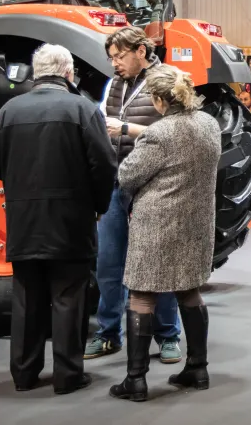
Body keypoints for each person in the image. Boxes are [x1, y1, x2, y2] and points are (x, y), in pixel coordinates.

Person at [0, 43, 117, 395]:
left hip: (24, 219)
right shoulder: (82, 109)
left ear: (37, 72)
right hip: (71, 220)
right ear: (68, 73)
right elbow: (104, 164)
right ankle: (68, 376)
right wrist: (98, 205)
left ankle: (24, 375)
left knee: (27, 297)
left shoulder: (9, 110)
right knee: (69, 297)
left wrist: (20, 184)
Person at [108, 67, 221, 402]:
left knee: (142, 296)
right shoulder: (209, 124)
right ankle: (198, 369)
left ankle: (136, 380)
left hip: (157, 226)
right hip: (196, 224)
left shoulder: (159, 133)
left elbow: (127, 176)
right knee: (190, 291)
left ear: (159, 100)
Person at [86, 27, 183, 365]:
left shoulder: (167, 81)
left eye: (120, 56)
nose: (115, 64)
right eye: (111, 58)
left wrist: (126, 129)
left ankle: (168, 336)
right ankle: (108, 333)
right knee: (108, 263)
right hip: (117, 183)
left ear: (141, 51)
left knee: (158, 263)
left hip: (153, 186)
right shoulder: (114, 85)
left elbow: (179, 131)